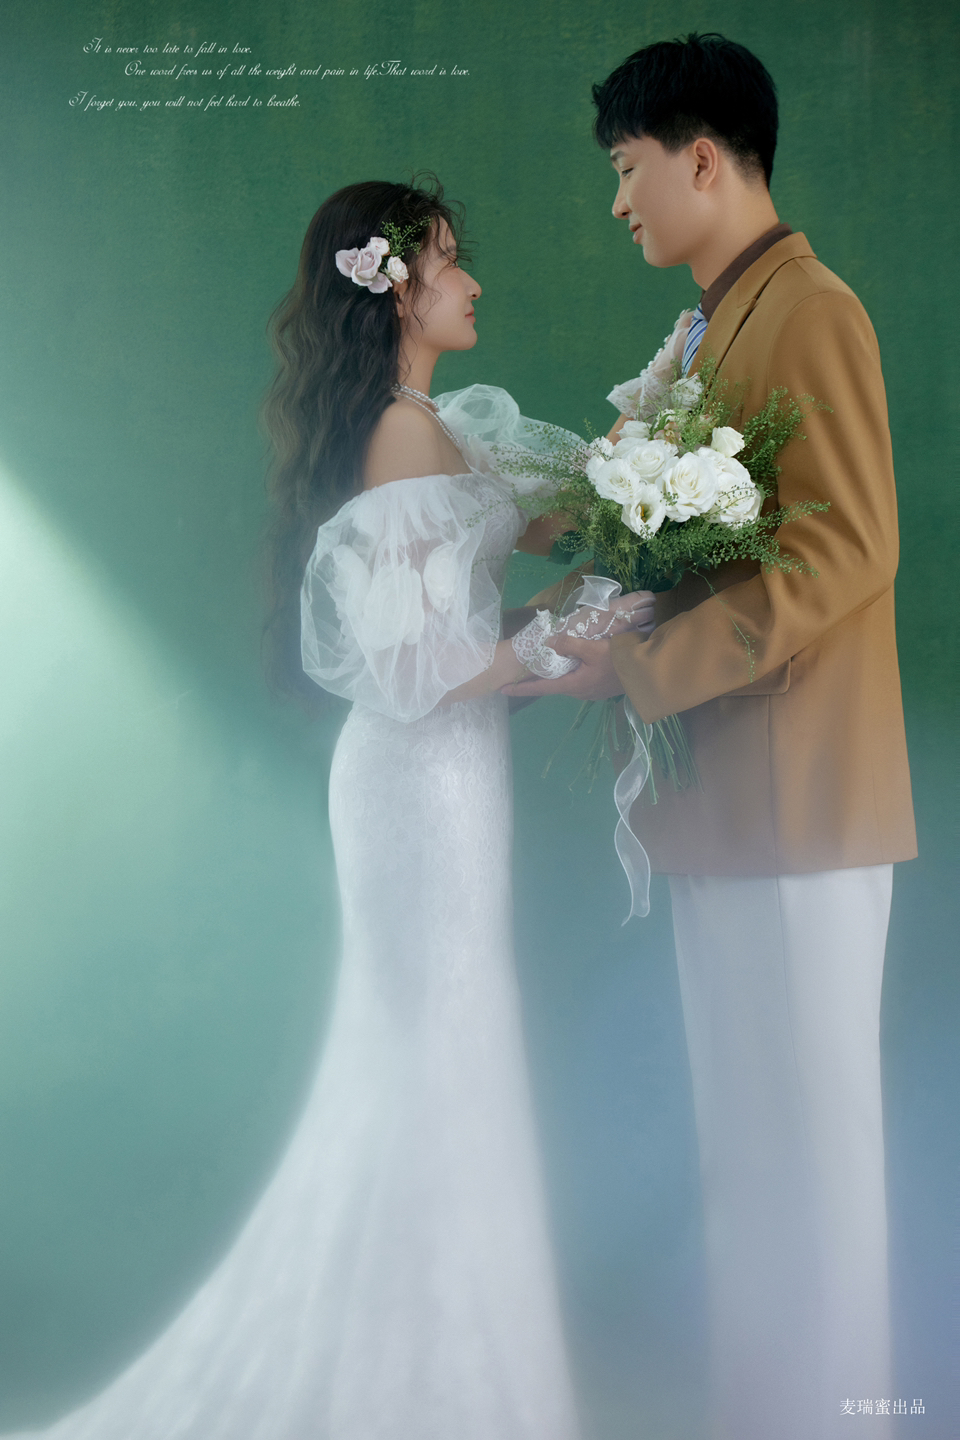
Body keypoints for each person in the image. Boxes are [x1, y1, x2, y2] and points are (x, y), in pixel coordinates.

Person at [9, 179, 653, 1440]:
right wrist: (562, 641)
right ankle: (426, 1390)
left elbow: (517, 570)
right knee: (430, 1059)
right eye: (450, 262)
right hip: (418, 787)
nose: (472, 282)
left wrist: (624, 520)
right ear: (395, 289)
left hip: (445, 776)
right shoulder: (402, 436)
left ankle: (446, 1377)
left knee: (448, 1055)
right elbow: (416, 665)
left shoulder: (429, 424)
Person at [504, 34, 917, 1440]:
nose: (618, 201)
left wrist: (638, 669)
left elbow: (849, 549)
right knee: (748, 1155)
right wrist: (542, 629)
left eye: (627, 169)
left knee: (818, 1155)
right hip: (724, 803)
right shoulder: (703, 330)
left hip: (803, 802)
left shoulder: (812, 311)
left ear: (700, 157)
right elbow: (653, 536)